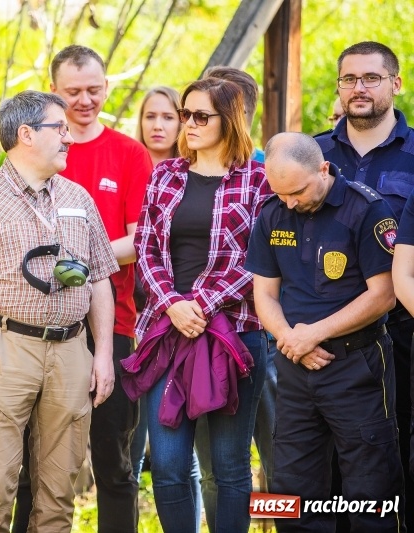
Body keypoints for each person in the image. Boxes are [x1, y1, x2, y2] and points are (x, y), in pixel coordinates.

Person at [0, 90, 119, 532]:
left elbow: (100, 281)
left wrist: (104, 354)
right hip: (2, 346)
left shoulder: (79, 198)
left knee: (59, 490)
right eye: (60, 128)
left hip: (72, 348)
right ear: (26, 134)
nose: (69, 138)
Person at [247, 131, 403, 531]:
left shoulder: (367, 209)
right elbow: (264, 292)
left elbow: (384, 294)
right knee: (289, 488)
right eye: (281, 193)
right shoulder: (272, 213)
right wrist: (291, 339)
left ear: (323, 168)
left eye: (297, 191)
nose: (290, 202)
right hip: (295, 365)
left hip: (357, 365)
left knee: (371, 488)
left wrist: (312, 334)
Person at [134, 77, 271, 533]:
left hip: (235, 333)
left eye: (199, 116)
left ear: (228, 121)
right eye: (184, 114)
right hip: (167, 332)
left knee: (228, 467)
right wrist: (174, 304)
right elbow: (146, 247)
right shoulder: (166, 173)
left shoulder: (259, 179)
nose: (186, 124)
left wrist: (203, 303)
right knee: (170, 466)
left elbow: (264, 258)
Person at [41, 44, 152, 533]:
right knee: (36, 460)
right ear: (53, 92)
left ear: (107, 87)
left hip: (114, 323)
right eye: (73, 92)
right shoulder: (39, 149)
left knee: (113, 457)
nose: (85, 100)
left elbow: (142, 237)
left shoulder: (130, 153)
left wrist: (83, 260)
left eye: (94, 90)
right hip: (40, 322)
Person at [314, 40, 414, 527]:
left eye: (371, 78)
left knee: (397, 446)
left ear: (396, 84)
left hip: (401, 330)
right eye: (349, 79)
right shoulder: (312, 154)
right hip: (325, 337)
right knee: (323, 461)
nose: (359, 88)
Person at [197, 64, 274, 529]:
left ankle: (281, 520)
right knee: (219, 464)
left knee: (277, 454)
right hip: (205, 335)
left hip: (259, 332)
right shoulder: (187, 168)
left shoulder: (266, 171)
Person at [130, 85, 182, 474]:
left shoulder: (190, 174)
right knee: (130, 432)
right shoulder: (131, 165)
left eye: (168, 117)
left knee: (182, 442)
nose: (158, 125)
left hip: (180, 306)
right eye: (151, 116)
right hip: (127, 301)